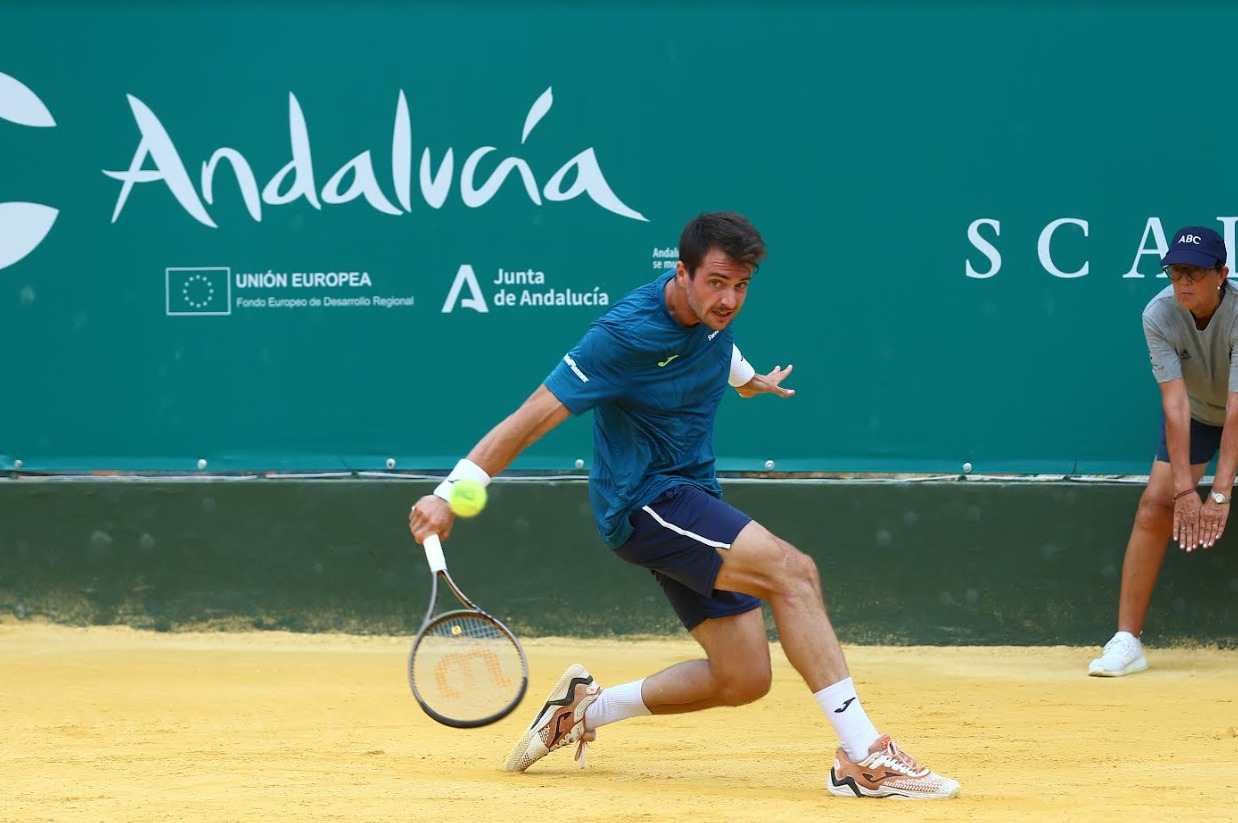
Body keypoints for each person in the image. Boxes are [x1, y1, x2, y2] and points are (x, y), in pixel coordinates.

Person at [409, 212, 959, 799]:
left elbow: (720, 347)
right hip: (644, 502)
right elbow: (528, 419)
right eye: (717, 282)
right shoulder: (621, 336)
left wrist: (750, 381)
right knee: (793, 573)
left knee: (743, 677)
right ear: (683, 273)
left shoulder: (713, 319)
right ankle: (863, 758)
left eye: (741, 286)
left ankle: (583, 711)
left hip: (691, 497)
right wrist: (448, 494)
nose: (729, 299)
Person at [1089, 226, 1235, 677]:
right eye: (1175, 272)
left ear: (1221, 274)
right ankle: (1127, 641)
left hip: (1232, 410)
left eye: (1194, 271)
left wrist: (1220, 494)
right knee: (1156, 502)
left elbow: (1237, 410)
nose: (1182, 281)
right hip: (1196, 413)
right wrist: (1185, 491)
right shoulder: (1158, 314)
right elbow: (1173, 404)